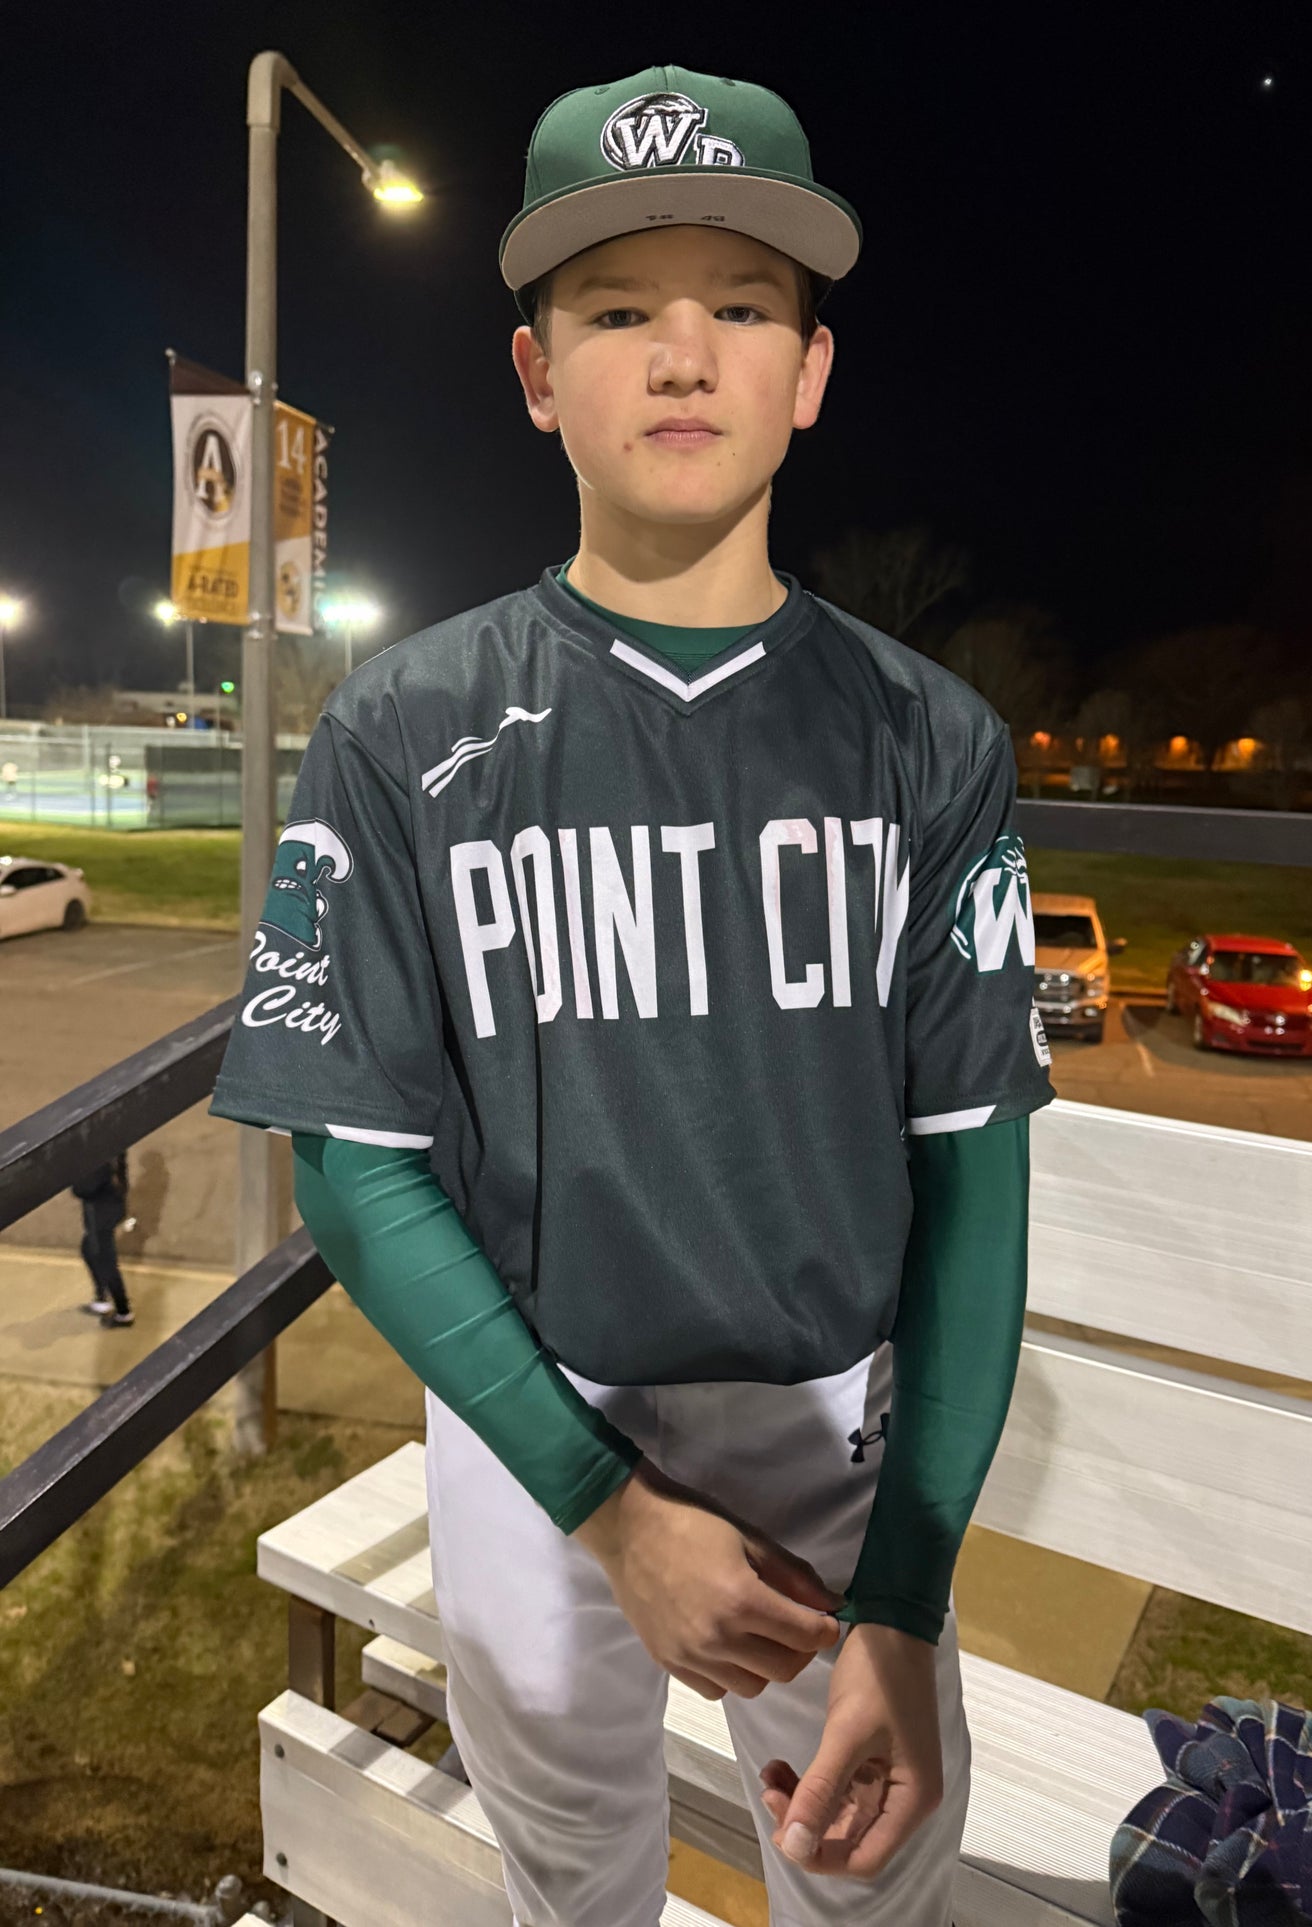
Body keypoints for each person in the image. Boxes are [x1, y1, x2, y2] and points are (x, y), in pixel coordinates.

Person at [210, 64, 1055, 1927]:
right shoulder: (409, 726)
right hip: (534, 1420)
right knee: (571, 1881)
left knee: (869, 1885)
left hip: (841, 1439)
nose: (684, 356)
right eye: (617, 311)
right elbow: (356, 1161)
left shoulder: (928, 739)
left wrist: (910, 1593)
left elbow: (976, 1176)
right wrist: (603, 1501)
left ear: (810, 372)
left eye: (742, 306)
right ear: (536, 377)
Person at [73, 1152, 134, 1328]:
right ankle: (101, 1299)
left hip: (100, 1215)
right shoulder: (112, 1144)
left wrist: (73, 1177)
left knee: (105, 1261)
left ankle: (123, 1312)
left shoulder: (96, 1156)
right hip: (110, 1208)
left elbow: (83, 1188)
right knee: (88, 1250)